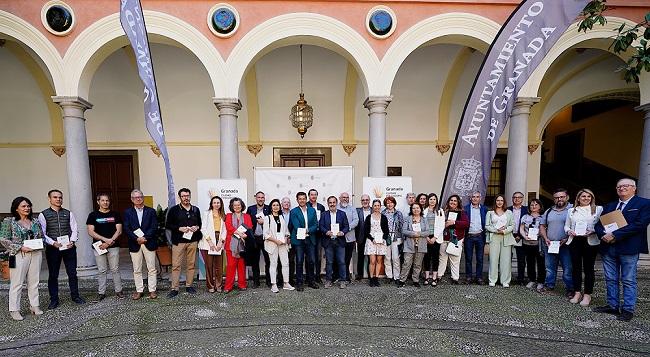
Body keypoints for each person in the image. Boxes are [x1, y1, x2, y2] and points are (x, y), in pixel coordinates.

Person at [594, 178, 650, 321]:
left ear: (634, 188)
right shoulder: (610, 206)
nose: (622, 188)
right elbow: (598, 225)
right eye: (619, 186)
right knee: (610, 278)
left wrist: (615, 234)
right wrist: (603, 235)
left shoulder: (644, 203)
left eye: (626, 186)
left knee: (628, 279)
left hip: (629, 248)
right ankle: (612, 306)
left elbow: (640, 224)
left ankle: (628, 309)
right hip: (609, 248)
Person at [38, 189, 85, 309]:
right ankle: (54, 299)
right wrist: (53, 243)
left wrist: (72, 241)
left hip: (69, 247)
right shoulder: (43, 215)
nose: (58, 199)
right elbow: (42, 233)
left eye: (60, 197)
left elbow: (74, 229)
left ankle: (75, 296)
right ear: (49, 199)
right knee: (53, 274)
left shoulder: (69, 213)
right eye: (55, 197)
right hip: (53, 248)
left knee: (72, 273)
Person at [1, 197, 44, 320]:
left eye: (28, 206)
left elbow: (41, 236)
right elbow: (3, 239)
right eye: (24, 206)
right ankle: (14, 309)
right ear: (16, 208)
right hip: (18, 254)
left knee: (34, 281)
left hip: (36, 253)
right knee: (17, 283)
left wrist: (40, 243)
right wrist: (20, 247)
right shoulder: (9, 221)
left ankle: (34, 306)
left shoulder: (35, 221)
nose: (27, 208)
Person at [564, 189, 602, 307]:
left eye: (588, 196)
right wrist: (569, 230)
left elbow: (602, 225)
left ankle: (587, 294)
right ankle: (577, 293)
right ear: (578, 198)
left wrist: (593, 231)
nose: (586, 198)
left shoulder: (598, 209)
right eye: (583, 196)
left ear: (592, 198)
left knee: (588, 269)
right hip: (575, 241)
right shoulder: (571, 210)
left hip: (590, 241)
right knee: (576, 268)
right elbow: (566, 225)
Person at [165, 188, 203, 298]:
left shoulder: (196, 209)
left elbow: (200, 224)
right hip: (179, 241)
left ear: (190, 196)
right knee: (176, 265)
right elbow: (168, 225)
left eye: (187, 195)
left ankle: (189, 285)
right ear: (180, 197)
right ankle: (174, 288)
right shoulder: (174, 210)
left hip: (192, 241)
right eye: (183, 196)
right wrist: (179, 228)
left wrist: (197, 227)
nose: (186, 198)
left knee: (191, 265)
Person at [86, 193, 123, 301]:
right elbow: (91, 232)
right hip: (99, 246)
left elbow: (119, 230)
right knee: (102, 270)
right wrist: (105, 240)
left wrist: (109, 242)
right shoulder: (93, 215)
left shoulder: (115, 214)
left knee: (115, 269)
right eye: (102, 200)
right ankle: (101, 292)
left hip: (113, 246)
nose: (105, 202)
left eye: (107, 200)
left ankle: (119, 290)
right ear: (98, 202)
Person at [123, 189, 159, 300]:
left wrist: (145, 237)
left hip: (149, 242)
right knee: (137, 269)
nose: (138, 199)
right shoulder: (127, 212)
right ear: (132, 199)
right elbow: (126, 228)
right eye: (136, 197)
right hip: (135, 243)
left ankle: (152, 290)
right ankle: (139, 290)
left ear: (143, 197)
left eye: (140, 197)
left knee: (151, 268)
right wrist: (136, 238)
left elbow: (154, 227)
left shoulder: (151, 211)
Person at [539, 188, 574, 297]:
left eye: (562, 197)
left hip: (566, 245)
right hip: (550, 245)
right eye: (556, 197)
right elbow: (542, 226)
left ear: (567, 197)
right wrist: (545, 238)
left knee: (568, 268)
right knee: (549, 268)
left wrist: (566, 238)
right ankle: (549, 285)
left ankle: (570, 288)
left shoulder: (573, 209)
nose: (559, 199)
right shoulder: (549, 211)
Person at [289, 191, 319, 291]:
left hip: (310, 239)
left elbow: (315, 224)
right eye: (300, 199)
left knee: (311, 261)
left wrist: (308, 230)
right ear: (297, 200)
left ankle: (311, 281)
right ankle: (299, 283)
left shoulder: (312, 210)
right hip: (298, 240)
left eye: (303, 198)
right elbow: (296, 225)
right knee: (299, 261)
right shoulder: (293, 211)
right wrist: (303, 231)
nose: (302, 200)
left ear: (306, 199)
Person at [263, 199, 294, 293]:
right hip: (272, 244)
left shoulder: (281, 217)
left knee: (285, 263)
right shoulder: (267, 218)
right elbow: (266, 234)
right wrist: (276, 241)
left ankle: (286, 283)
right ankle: (274, 284)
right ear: (271, 207)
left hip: (283, 244)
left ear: (280, 207)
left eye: (277, 205)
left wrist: (287, 237)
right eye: (274, 205)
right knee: (273, 264)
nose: (276, 207)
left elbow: (286, 231)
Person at [319, 196, 350, 288]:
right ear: (328, 204)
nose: (332, 204)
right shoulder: (324, 214)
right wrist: (326, 232)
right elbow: (321, 226)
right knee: (329, 262)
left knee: (341, 262)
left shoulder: (342, 214)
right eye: (330, 203)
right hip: (328, 241)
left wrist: (343, 232)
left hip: (340, 241)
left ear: (336, 203)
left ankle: (343, 280)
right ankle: (328, 280)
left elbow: (346, 226)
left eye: (333, 202)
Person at [485, 195, 515, 287]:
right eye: (498, 200)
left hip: (506, 237)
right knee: (493, 259)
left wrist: (504, 231)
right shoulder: (490, 212)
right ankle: (492, 280)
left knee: (505, 260)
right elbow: (487, 225)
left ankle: (505, 281)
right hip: (494, 237)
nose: (499, 202)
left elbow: (512, 225)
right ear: (495, 201)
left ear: (504, 202)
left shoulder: (509, 212)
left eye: (501, 200)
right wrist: (496, 230)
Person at [437, 195, 468, 284]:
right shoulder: (443, 212)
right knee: (442, 258)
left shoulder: (462, 213)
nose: (453, 202)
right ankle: (439, 275)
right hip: (444, 238)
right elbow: (438, 224)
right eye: (451, 200)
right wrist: (444, 225)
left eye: (455, 201)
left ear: (458, 203)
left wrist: (454, 222)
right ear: (448, 201)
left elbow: (466, 224)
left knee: (455, 259)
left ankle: (455, 278)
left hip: (456, 239)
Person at [224, 197, 252, 293]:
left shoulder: (247, 216)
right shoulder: (228, 216)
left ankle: (242, 284)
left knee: (241, 266)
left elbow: (249, 227)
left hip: (243, 244)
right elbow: (229, 227)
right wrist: (240, 233)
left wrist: (245, 235)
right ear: (232, 206)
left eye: (238, 205)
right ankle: (228, 286)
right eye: (235, 205)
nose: (237, 207)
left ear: (242, 205)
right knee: (231, 266)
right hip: (231, 245)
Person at [199, 196, 227, 293]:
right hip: (208, 241)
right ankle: (210, 286)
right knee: (209, 265)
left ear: (221, 204)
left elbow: (225, 230)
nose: (216, 204)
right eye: (214, 202)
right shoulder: (206, 214)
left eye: (218, 203)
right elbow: (203, 228)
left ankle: (218, 285)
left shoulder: (223, 214)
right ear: (211, 204)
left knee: (219, 266)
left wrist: (221, 241)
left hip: (219, 239)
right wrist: (210, 242)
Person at [397, 202, 429, 287]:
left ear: (421, 209)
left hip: (421, 245)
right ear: (411, 209)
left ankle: (415, 280)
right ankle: (402, 280)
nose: (416, 210)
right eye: (414, 208)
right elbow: (404, 231)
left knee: (418, 264)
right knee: (406, 263)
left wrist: (420, 234)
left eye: (417, 208)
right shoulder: (407, 219)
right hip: (409, 245)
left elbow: (427, 232)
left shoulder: (424, 219)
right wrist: (413, 234)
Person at [519, 199, 545, 292]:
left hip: (539, 243)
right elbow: (521, 228)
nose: (534, 206)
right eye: (531, 205)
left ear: (540, 206)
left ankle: (541, 281)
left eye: (536, 205)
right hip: (527, 242)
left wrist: (540, 234)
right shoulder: (525, 217)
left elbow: (545, 229)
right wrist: (524, 236)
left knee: (541, 262)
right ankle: (532, 279)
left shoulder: (543, 217)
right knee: (530, 262)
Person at [246, 191, 271, 288]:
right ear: (256, 198)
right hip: (254, 238)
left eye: (262, 197)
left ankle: (269, 281)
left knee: (268, 260)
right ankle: (256, 281)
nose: (260, 199)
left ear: (264, 198)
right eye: (259, 197)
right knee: (255, 261)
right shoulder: (250, 209)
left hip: (266, 238)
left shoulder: (269, 208)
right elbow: (247, 223)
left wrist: (264, 222)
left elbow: (271, 222)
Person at [463, 191, 487, 285]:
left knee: (480, 259)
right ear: (470, 198)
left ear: (480, 198)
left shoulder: (484, 209)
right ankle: (468, 277)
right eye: (473, 197)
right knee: (468, 258)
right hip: (469, 236)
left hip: (480, 236)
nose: (475, 198)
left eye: (477, 197)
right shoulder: (465, 209)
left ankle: (479, 277)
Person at [364, 199, 389, 287]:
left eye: (378, 205)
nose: (377, 207)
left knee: (379, 261)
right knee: (372, 261)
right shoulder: (369, 217)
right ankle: (371, 278)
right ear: (373, 206)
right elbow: (366, 231)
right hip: (371, 241)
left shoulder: (384, 217)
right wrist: (372, 238)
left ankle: (376, 279)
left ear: (380, 206)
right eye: (375, 205)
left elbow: (386, 231)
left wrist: (383, 239)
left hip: (381, 241)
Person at [382, 196, 404, 284]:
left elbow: (402, 226)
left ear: (394, 203)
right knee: (387, 258)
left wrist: (402, 238)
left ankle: (397, 277)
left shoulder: (398, 213)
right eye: (387, 203)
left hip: (396, 237)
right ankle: (389, 276)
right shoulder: (382, 213)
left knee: (396, 258)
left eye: (391, 202)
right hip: (386, 237)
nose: (389, 204)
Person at [338, 192, 358, 282]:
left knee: (347, 257)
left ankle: (346, 275)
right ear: (340, 198)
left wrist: (346, 229)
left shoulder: (352, 209)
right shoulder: (336, 207)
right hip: (338, 237)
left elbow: (356, 220)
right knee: (338, 258)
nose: (345, 199)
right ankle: (338, 275)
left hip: (350, 237)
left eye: (347, 197)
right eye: (343, 197)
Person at [508, 192, 528, 285]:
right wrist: (511, 234)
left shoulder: (526, 210)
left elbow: (527, 224)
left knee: (521, 259)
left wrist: (520, 235)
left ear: (522, 199)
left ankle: (521, 278)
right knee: (507, 258)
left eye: (519, 197)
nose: (517, 199)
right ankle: (507, 278)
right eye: (515, 197)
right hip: (508, 235)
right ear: (512, 199)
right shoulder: (507, 209)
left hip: (521, 236)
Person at [308, 189, 326, 284]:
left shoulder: (321, 207)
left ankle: (318, 276)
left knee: (318, 257)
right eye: (312, 195)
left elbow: (324, 220)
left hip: (319, 235)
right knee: (309, 257)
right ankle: (309, 277)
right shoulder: (305, 206)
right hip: (309, 235)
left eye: (315, 195)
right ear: (309, 196)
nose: (313, 196)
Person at [423, 193, 441, 286]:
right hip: (426, 236)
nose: (432, 201)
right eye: (430, 199)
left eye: (434, 199)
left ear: (436, 200)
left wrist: (435, 237)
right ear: (428, 200)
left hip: (436, 237)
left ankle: (434, 278)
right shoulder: (423, 211)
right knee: (426, 257)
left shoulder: (440, 211)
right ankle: (426, 277)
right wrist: (426, 237)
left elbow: (441, 225)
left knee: (435, 258)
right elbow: (421, 224)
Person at [355, 194, 372, 280]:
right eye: (363, 200)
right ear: (361, 202)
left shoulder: (374, 210)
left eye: (366, 200)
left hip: (371, 238)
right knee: (360, 256)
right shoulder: (357, 211)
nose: (365, 201)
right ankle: (360, 275)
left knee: (370, 257)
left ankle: (370, 274)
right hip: (360, 237)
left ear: (369, 201)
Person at [280, 197, 295, 285]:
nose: (286, 204)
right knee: (280, 261)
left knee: (291, 260)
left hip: (291, 240)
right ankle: (281, 280)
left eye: (288, 202)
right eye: (284, 202)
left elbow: (295, 227)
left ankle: (291, 279)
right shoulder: (277, 213)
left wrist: (290, 238)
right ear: (281, 204)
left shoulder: (293, 213)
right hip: (280, 241)